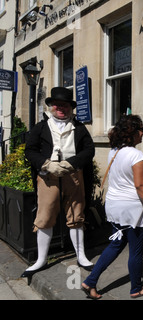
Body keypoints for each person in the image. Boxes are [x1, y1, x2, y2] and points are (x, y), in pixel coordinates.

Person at [81, 114, 143, 299]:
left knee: (116, 244)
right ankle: (136, 288)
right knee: (136, 250)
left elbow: (126, 178)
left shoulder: (114, 151)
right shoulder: (136, 155)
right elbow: (140, 186)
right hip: (133, 210)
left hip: (115, 207)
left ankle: (90, 281)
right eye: (141, 130)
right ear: (132, 133)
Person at [23, 87, 95, 279]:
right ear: (51, 107)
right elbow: (30, 151)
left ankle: (81, 256)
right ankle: (41, 259)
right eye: (57, 105)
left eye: (65, 105)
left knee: (76, 216)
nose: (61, 108)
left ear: (70, 108)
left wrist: (71, 164)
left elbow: (89, 151)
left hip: (73, 175)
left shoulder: (79, 128)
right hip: (48, 177)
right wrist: (47, 164)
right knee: (45, 217)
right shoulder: (40, 127)